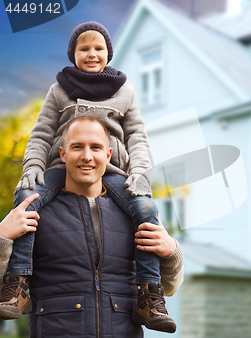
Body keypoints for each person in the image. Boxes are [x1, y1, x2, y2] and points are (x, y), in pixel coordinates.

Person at [0, 22, 173, 332]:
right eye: (84, 49)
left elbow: (137, 136)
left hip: (121, 176)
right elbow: (40, 134)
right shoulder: (60, 89)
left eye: (98, 48)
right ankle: (17, 285)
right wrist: (32, 171)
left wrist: (141, 177)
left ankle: (150, 297)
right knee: (27, 199)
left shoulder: (125, 90)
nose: (87, 156)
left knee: (147, 208)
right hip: (56, 325)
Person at [0, 116, 183, 337]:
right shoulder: (34, 211)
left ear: (108, 155)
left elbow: (170, 287)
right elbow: (7, 290)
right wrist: (2, 236)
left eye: (95, 147)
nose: (87, 156)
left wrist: (172, 251)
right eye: (77, 147)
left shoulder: (134, 213)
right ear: (63, 154)